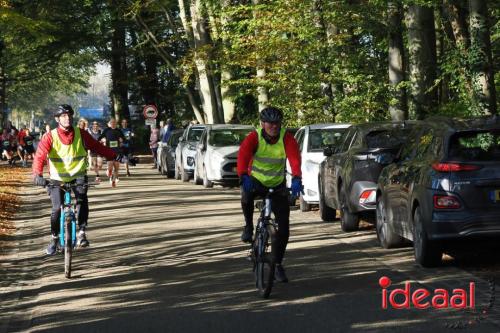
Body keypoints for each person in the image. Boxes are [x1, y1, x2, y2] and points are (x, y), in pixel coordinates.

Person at [32, 104, 120, 255]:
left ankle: (82, 233)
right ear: (57, 119)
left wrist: (117, 156)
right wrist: (37, 175)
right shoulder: (50, 136)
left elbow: (98, 147)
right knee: (57, 208)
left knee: (81, 201)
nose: (67, 118)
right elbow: (40, 156)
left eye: (69, 115)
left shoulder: (81, 134)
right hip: (57, 178)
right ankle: (54, 238)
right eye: (63, 116)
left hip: (78, 175)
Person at [236, 106, 303, 283]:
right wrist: (243, 174)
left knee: (284, 227)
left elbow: (295, 159)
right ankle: (248, 226)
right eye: (270, 123)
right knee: (246, 196)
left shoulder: (286, 137)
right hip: (256, 181)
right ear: (262, 124)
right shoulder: (254, 137)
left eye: (277, 123)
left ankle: (278, 264)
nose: (273, 126)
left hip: (277, 184)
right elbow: (243, 155)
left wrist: (296, 177)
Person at [99, 118, 124, 187]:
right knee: (110, 166)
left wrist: (122, 140)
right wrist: (102, 140)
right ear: (109, 124)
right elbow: (100, 138)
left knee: (116, 167)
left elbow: (124, 139)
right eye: (111, 122)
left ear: (116, 124)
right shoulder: (106, 130)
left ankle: (113, 180)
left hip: (117, 151)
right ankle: (109, 172)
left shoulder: (119, 130)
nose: (113, 124)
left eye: (114, 122)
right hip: (109, 151)